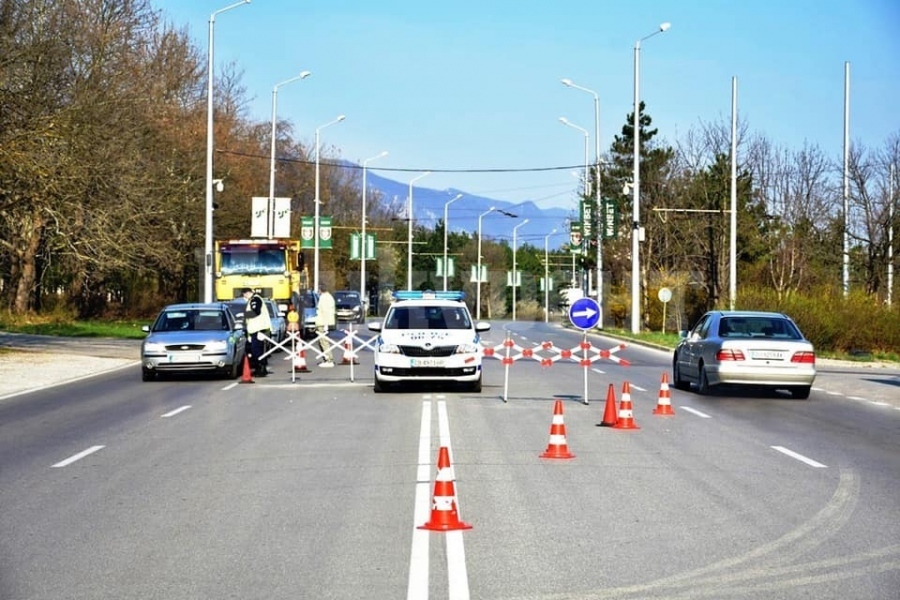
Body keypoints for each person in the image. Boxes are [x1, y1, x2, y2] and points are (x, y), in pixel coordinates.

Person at [242, 287, 272, 377]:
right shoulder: (254, 299)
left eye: (244, 295)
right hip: (256, 329)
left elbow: (256, 312)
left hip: (259, 329)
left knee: (257, 350)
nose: (244, 297)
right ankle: (261, 369)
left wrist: (244, 315)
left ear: (247, 293)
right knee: (258, 350)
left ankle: (261, 369)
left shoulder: (255, 299)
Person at [315, 284, 336, 367]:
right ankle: (327, 358)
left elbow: (324, 311)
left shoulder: (324, 298)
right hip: (325, 322)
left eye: (318, 290)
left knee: (323, 341)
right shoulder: (329, 297)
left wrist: (325, 324)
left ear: (321, 290)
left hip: (322, 322)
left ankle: (328, 359)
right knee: (322, 341)